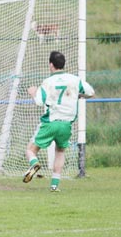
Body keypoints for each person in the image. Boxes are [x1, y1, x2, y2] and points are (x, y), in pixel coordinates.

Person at [23, 51, 95, 192]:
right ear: (63, 64)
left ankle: (35, 163)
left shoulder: (48, 82)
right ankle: (54, 186)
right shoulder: (75, 80)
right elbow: (91, 92)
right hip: (66, 124)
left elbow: (39, 101)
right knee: (60, 152)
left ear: (51, 65)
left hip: (51, 122)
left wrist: (33, 92)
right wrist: (76, 95)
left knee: (31, 150)